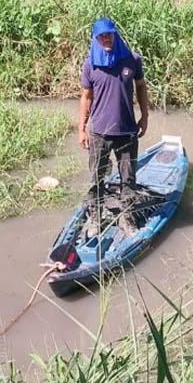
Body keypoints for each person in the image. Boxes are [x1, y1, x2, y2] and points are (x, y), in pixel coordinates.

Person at [78, 18, 149, 238]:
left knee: (128, 180)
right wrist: (81, 128)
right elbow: (86, 97)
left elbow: (141, 87)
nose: (106, 39)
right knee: (96, 179)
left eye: (109, 34)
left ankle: (126, 219)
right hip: (99, 132)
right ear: (96, 39)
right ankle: (96, 218)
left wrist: (144, 116)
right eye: (101, 36)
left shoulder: (131, 60)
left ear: (115, 35)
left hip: (127, 130)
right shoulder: (91, 64)